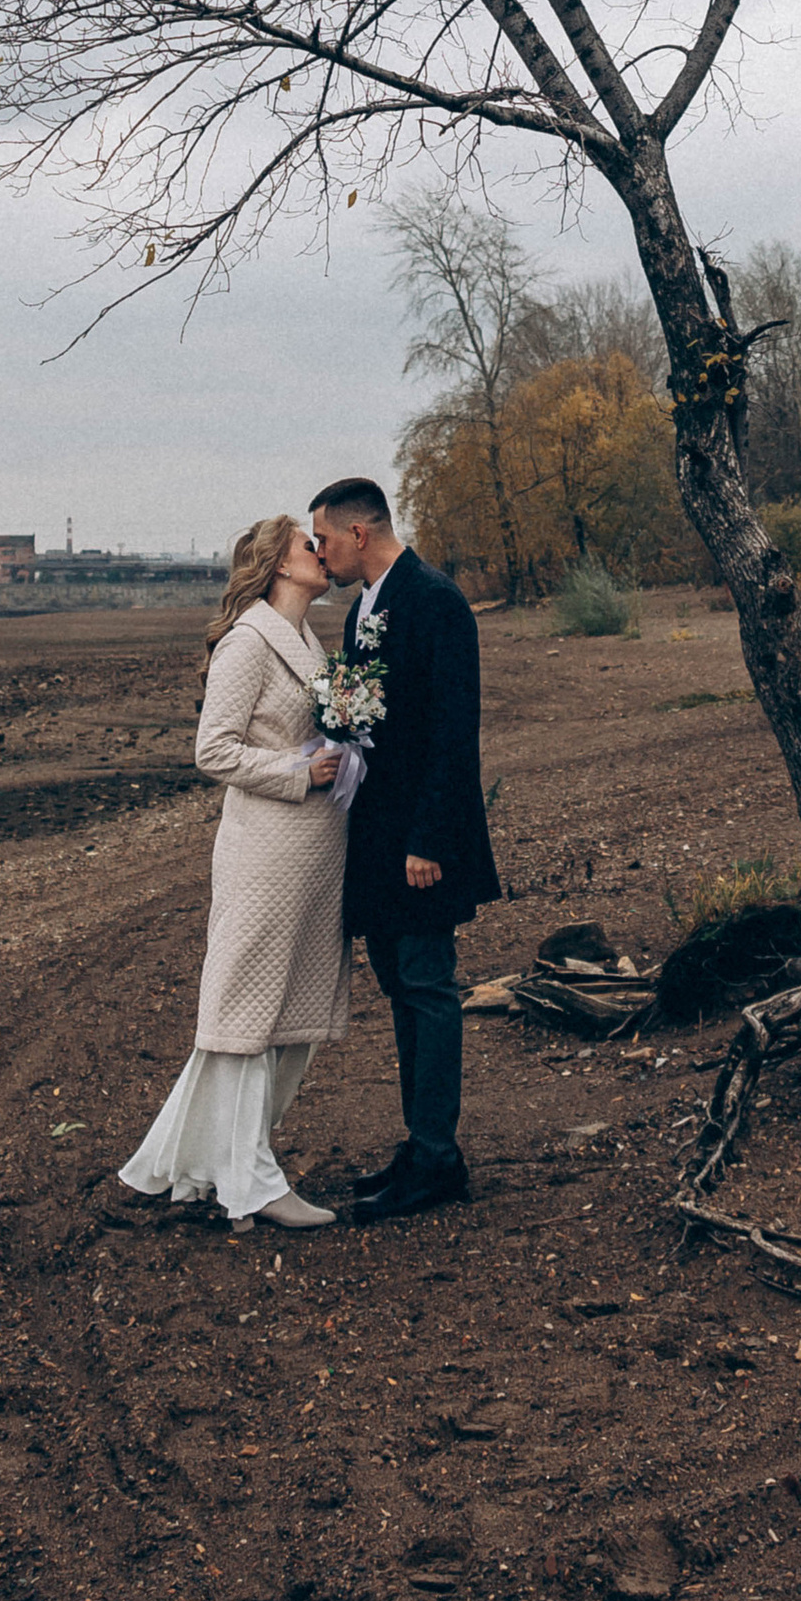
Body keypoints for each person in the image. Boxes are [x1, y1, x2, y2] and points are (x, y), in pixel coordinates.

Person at [116, 513, 358, 1234]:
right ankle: (250, 1181)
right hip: (265, 854)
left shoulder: (311, 640)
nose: (320, 552)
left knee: (292, 1017)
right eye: (305, 545)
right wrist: (297, 770)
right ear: (278, 565)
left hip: (315, 854)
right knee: (248, 1010)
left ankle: (214, 1163)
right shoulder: (248, 643)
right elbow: (212, 751)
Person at [311, 474, 500, 1222]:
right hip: (380, 835)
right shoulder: (365, 606)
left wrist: (429, 839)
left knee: (428, 984)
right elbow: (365, 716)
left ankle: (439, 1161)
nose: (320, 555)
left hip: (423, 839)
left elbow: (456, 733)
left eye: (324, 538)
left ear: (360, 533)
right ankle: (421, 1142)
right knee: (400, 986)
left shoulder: (436, 600)